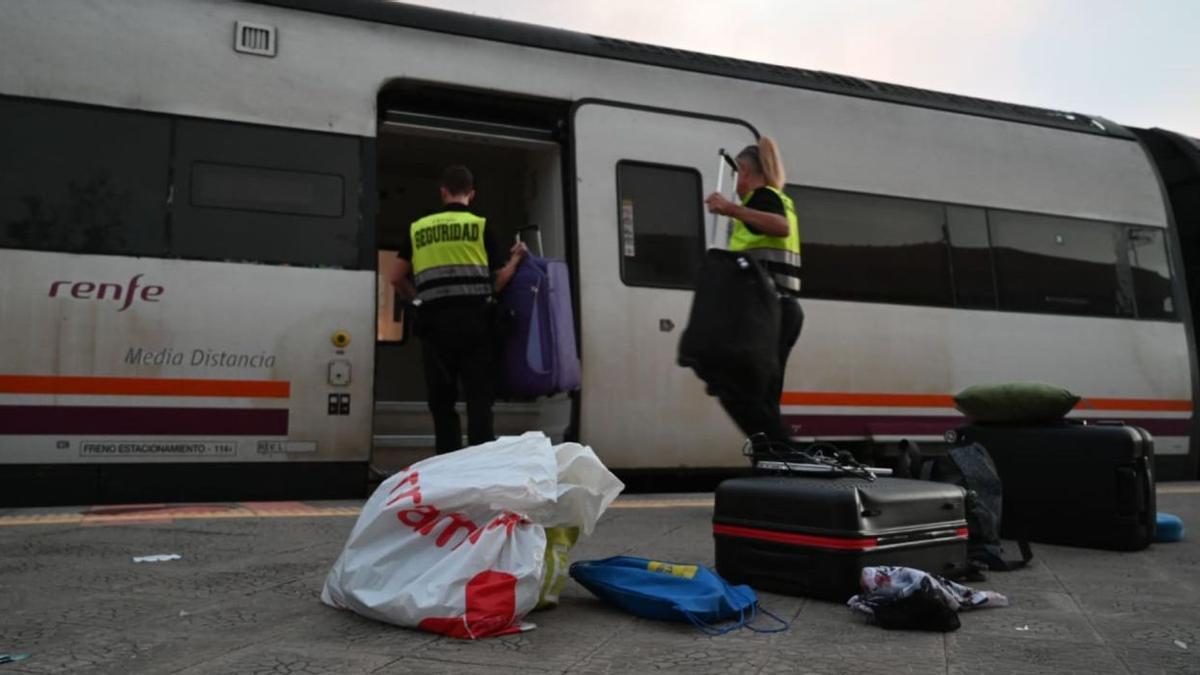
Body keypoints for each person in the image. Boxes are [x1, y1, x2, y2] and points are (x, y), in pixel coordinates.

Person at [392, 165, 527, 454]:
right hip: (477, 326)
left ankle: (447, 465)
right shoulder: (481, 226)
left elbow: (395, 276)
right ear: (472, 194)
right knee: (479, 401)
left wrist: (417, 300)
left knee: (442, 402)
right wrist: (515, 261)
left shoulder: (419, 229)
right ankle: (478, 469)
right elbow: (497, 282)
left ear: (443, 192)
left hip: (436, 328)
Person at [703, 137, 803, 452]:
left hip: (769, 311)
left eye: (738, 176)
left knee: (737, 386)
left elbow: (780, 227)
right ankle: (773, 459)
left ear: (745, 173)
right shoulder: (776, 198)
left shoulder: (762, 197)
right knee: (763, 394)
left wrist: (730, 208)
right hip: (781, 309)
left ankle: (783, 450)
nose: (737, 184)